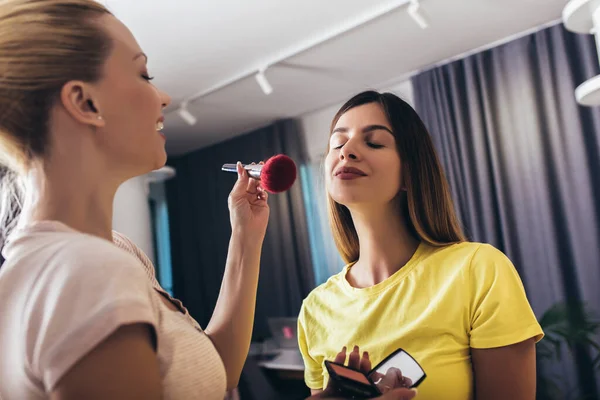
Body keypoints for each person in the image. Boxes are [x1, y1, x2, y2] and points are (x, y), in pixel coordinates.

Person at [0, 1, 272, 399]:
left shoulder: (108, 252)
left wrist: (245, 237)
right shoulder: (87, 269)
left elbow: (212, 372)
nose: (163, 96)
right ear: (84, 103)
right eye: (144, 74)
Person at [297, 90, 544, 400]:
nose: (347, 151)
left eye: (373, 142)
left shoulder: (478, 270)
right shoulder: (314, 310)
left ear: (409, 173)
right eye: (337, 142)